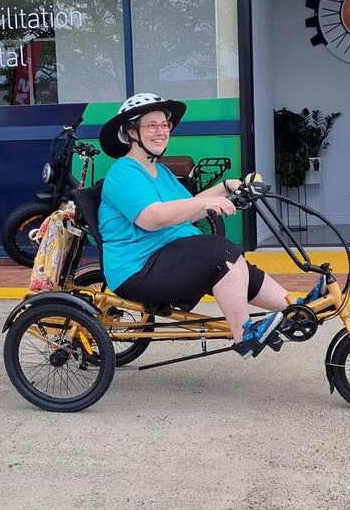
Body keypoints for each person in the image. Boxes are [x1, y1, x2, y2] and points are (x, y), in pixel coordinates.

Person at [97, 93, 323, 358]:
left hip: (165, 258)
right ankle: (245, 335)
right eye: (151, 126)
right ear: (131, 131)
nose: (161, 132)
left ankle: (295, 308)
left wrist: (226, 187)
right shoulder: (124, 172)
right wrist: (204, 206)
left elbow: (186, 210)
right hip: (137, 269)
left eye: (164, 125)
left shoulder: (162, 171)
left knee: (237, 269)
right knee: (220, 252)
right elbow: (152, 217)